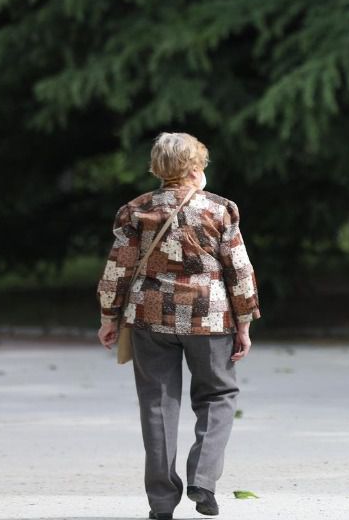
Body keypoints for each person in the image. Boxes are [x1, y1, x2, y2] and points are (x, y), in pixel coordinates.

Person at [96, 132, 261, 520]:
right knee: (218, 395)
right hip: (210, 317)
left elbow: (117, 268)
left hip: (149, 318)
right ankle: (202, 479)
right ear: (194, 168)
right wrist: (244, 322)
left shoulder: (135, 210)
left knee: (156, 403)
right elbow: (239, 269)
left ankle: (161, 503)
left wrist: (108, 315)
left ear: (158, 168)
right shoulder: (220, 210)